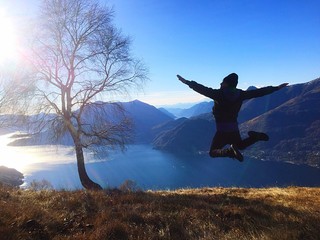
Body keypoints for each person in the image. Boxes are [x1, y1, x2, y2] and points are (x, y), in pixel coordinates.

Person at [177, 73, 288, 162]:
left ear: (226, 84)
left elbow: (201, 89)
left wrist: (186, 82)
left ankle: (229, 152)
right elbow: (258, 92)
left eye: (222, 82)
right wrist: (276, 88)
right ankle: (255, 137)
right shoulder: (241, 94)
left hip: (221, 130)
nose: (220, 83)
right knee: (240, 145)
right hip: (234, 129)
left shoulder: (218, 94)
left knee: (212, 152)